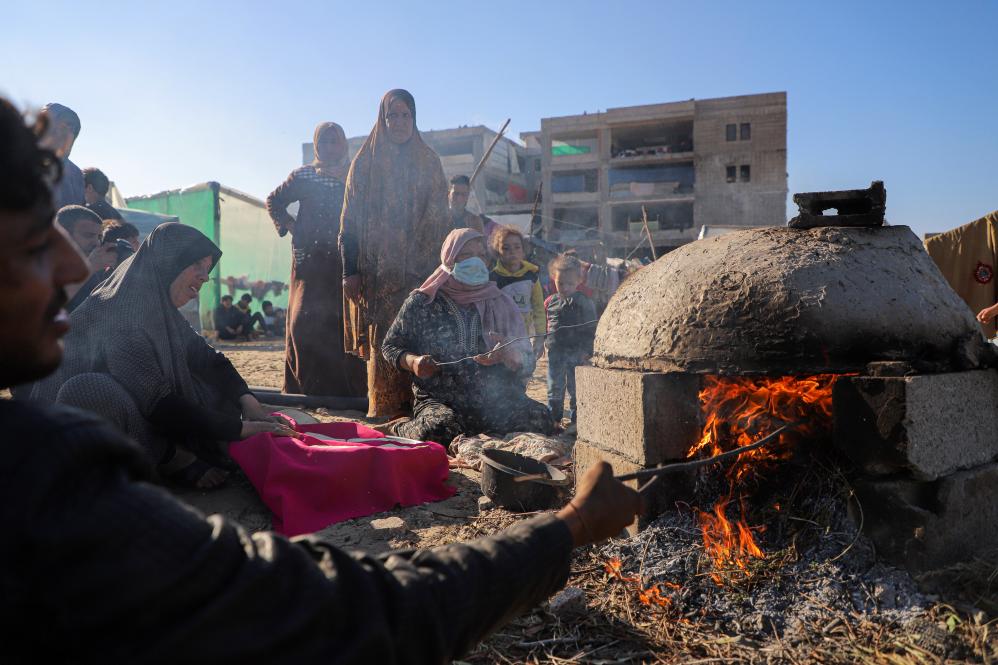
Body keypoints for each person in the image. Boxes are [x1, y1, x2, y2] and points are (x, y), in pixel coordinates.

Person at [0, 95, 644, 662]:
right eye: (32, 238)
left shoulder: (56, 424)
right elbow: (333, 613)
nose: (73, 266)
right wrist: (570, 528)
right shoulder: (46, 470)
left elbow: (206, 363)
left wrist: (248, 406)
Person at [31, 221, 295, 489]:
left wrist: (248, 402)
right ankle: (173, 458)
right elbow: (157, 402)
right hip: (71, 434)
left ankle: (171, 450)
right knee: (89, 390)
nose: (205, 277)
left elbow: (207, 359)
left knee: (201, 379)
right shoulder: (122, 309)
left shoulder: (160, 308)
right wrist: (238, 429)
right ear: (168, 261)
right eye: (197, 265)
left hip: (132, 410)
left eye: (207, 269)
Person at [380, 228, 556, 443]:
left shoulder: (500, 302)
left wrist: (510, 355)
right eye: (467, 255)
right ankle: (399, 427)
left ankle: (482, 429)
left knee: (541, 419)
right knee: (439, 429)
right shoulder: (423, 302)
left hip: (496, 401)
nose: (477, 261)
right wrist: (413, 362)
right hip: (442, 400)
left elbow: (527, 363)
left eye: (481, 255)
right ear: (450, 258)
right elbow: (390, 346)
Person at [340, 89, 451, 419]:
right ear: (382, 119)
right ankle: (384, 411)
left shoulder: (429, 162)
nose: (400, 122)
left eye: (406, 115)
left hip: (422, 273)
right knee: (385, 340)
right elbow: (349, 221)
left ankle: (422, 412)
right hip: (377, 276)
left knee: (420, 339)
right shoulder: (365, 162)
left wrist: (441, 268)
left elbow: (441, 218)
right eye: (393, 116)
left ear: (414, 118)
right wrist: (349, 270)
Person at [267, 121, 367, 396]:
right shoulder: (304, 175)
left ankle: (345, 392)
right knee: (305, 320)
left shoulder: (355, 176)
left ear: (343, 145)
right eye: (324, 142)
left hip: (345, 260)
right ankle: (305, 388)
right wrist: (292, 227)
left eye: (335, 141)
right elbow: (274, 201)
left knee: (342, 321)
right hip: (309, 262)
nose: (330, 147)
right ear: (316, 145)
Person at [545, 254, 598, 424]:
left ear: (579, 281)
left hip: (577, 352)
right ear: (554, 278)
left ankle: (576, 423)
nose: (565, 287)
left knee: (576, 388)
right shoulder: (550, 302)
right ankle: (554, 421)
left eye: (569, 283)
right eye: (560, 283)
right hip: (556, 352)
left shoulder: (585, 302)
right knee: (555, 387)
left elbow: (591, 329)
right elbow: (546, 325)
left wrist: (587, 351)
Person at [490, 225, 546, 360]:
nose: (512, 252)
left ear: (523, 250)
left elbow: (538, 308)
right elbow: (489, 311)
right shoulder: (493, 278)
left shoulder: (531, 277)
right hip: (501, 338)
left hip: (524, 337)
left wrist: (539, 338)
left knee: (524, 368)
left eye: (517, 247)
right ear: (498, 251)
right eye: (506, 248)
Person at [39, 102, 84, 209]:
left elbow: (78, 210)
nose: (68, 133)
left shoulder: (76, 173)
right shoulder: (21, 162)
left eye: (72, 128)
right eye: (63, 126)